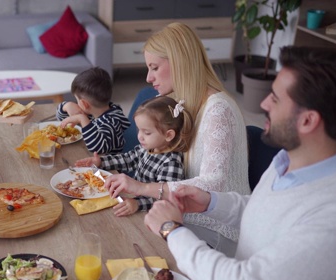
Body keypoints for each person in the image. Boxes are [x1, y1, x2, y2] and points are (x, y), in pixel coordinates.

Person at [144, 46, 336, 280]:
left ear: (308, 121)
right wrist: (210, 202)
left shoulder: (332, 215)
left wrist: (172, 231)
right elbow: (267, 215)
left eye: (275, 98)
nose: (262, 102)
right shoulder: (289, 160)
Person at [105, 22, 250, 256]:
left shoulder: (218, 109)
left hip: (219, 230)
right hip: (187, 213)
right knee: (114, 221)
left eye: (154, 67)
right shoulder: (183, 101)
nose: (148, 77)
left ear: (179, 62)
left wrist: (142, 187)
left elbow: (214, 185)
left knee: (123, 239)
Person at [76, 96, 191, 215]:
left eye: (147, 132)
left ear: (169, 135)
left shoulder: (171, 163)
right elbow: (128, 159)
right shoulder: (149, 146)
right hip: (132, 198)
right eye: (138, 130)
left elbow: (166, 198)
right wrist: (101, 162)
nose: (140, 136)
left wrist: (138, 204)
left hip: (149, 214)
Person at [56, 67, 130, 154]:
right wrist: (66, 106)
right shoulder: (94, 111)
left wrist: (82, 119)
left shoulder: (112, 122)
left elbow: (97, 148)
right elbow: (62, 120)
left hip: (107, 165)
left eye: (76, 100)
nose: (76, 103)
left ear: (84, 104)